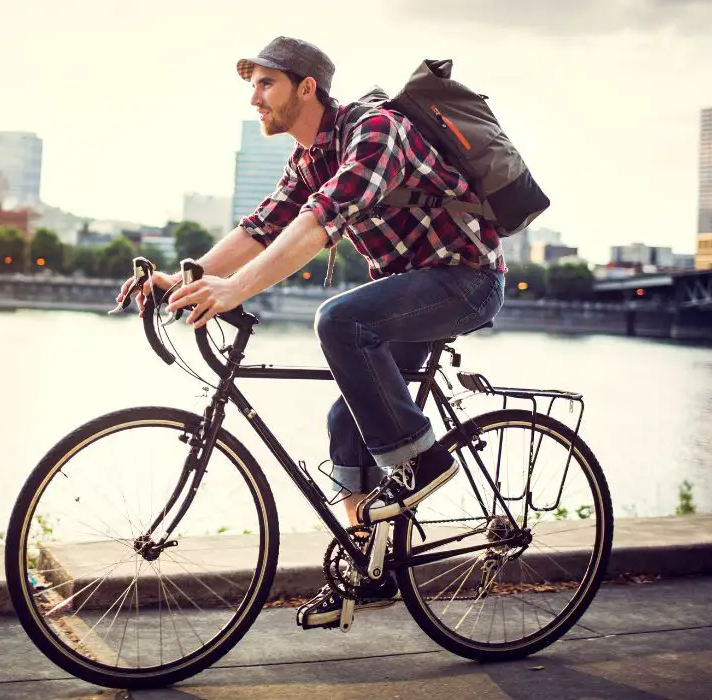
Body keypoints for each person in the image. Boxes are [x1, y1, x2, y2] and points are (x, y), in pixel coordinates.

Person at [116, 36, 506, 628]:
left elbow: (320, 223)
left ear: (307, 88)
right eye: (252, 85)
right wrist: (183, 279)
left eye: (266, 83)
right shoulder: (306, 160)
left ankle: (425, 465)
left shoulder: (376, 131)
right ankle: (372, 573)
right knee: (346, 421)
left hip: (464, 281)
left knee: (339, 319)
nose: (254, 98)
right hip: (409, 293)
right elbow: (262, 228)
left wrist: (236, 290)